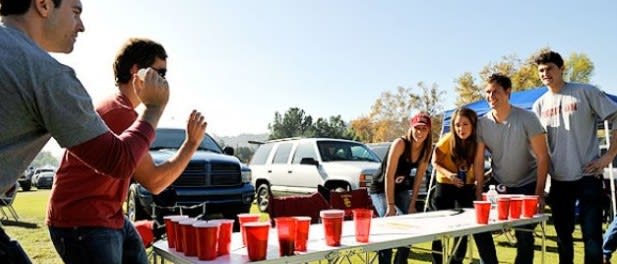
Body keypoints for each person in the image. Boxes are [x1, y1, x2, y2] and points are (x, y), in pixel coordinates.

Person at [0, 0, 169, 262]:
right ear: (43, 5)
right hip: (86, 222)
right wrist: (155, 108)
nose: (82, 27)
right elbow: (120, 161)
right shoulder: (47, 75)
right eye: (76, 12)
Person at [45, 38, 206, 264]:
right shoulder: (120, 113)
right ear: (137, 72)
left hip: (106, 215)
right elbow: (155, 182)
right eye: (160, 73)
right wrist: (191, 144)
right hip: (83, 222)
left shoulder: (119, 108)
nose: (164, 82)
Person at [532, 50, 617, 264]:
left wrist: (609, 156)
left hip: (588, 176)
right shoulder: (539, 105)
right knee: (563, 239)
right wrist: (541, 188)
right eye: (541, 70)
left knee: (592, 239)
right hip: (559, 181)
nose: (545, 73)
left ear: (561, 69)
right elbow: (538, 149)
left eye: (550, 68)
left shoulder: (584, 91)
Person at [474, 73, 549, 264]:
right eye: (488, 92)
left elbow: (542, 156)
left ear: (508, 92)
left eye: (496, 92)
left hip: (527, 185)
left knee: (524, 236)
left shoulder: (528, 118)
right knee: (481, 228)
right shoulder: (482, 123)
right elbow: (479, 158)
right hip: (499, 186)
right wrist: (478, 189)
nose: (491, 96)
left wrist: (539, 192)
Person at [430, 107, 498, 264]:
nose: (461, 129)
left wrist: (482, 182)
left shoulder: (478, 142)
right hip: (445, 186)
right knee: (440, 231)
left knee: (463, 230)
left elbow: (485, 162)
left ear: (473, 124)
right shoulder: (447, 139)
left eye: (465, 124)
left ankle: (456, 262)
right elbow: (435, 162)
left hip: (466, 188)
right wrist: (450, 175)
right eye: (457, 125)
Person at [368, 112, 432, 264]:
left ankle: (400, 261)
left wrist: (412, 204)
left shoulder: (426, 149)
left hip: (401, 188)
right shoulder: (400, 143)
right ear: (411, 128)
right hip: (381, 187)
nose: (420, 132)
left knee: (410, 223)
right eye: (417, 128)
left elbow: (418, 179)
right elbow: (389, 176)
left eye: (424, 129)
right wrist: (390, 206)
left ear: (428, 130)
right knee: (387, 223)